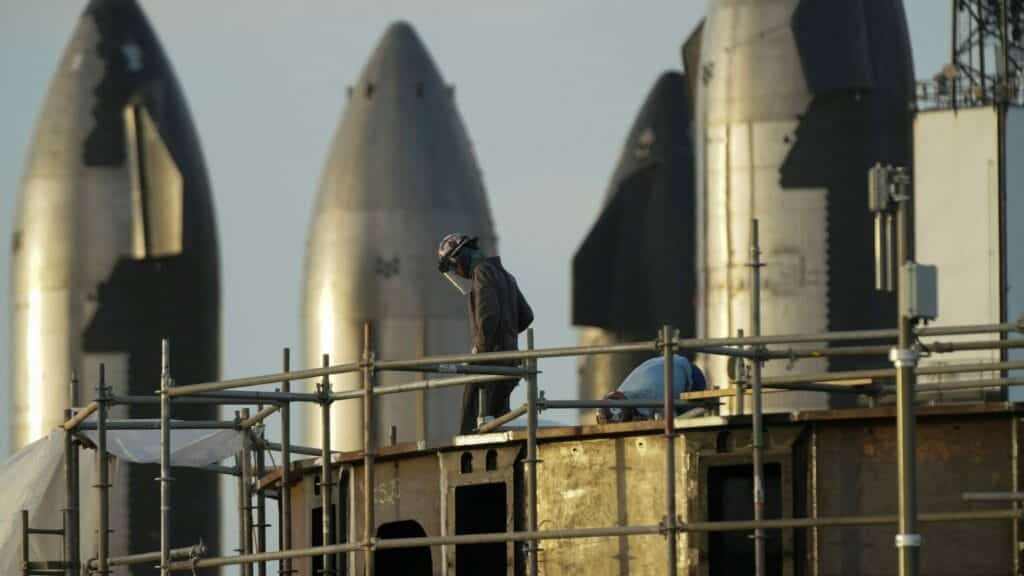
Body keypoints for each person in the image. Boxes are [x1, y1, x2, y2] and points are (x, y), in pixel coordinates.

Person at [437, 233, 534, 433]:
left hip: (490, 362)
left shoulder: (481, 273)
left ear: (459, 257)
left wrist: (479, 351)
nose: (456, 271)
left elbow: (488, 316)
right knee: (498, 420)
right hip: (510, 361)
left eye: (453, 266)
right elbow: (526, 316)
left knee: (473, 421)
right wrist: (507, 334)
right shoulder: (506, 275)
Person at [596, 355, 707, 424]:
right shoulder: (622, 395)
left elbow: (671, 425)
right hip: (669, 363)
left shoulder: (654, 396)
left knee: (691, 423)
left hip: (691, 375)